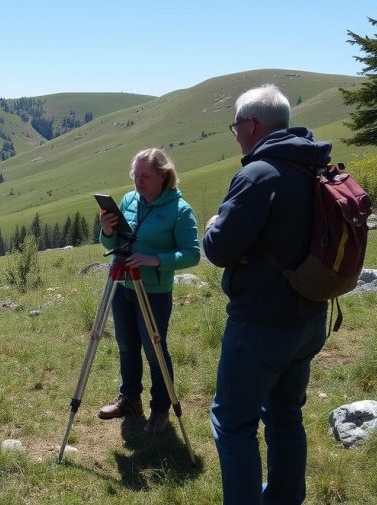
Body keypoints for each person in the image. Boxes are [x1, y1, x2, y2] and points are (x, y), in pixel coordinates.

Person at [203, 84, 332, 504]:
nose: (235, 133)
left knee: (233, 423)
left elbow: (220, 250)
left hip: (260, 322)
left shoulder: (258, 174)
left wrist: (212, 226)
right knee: (285, 415)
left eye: (236, 125)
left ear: (252, 124)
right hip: (311, 315)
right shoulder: (314, 166)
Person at [98, 147, 200, 433]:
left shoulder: (180, 210)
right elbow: (111, 245)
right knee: (126, 344)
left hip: (154, 290)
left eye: (145, 176)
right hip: (123, 284)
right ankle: (130, 399)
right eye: (135, 175)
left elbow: (192, 254)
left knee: (154, 349)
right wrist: (107, 231)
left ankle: (160, 409)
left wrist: (155, 260)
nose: (137, 182)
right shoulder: (129, 200)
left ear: (163, 176)